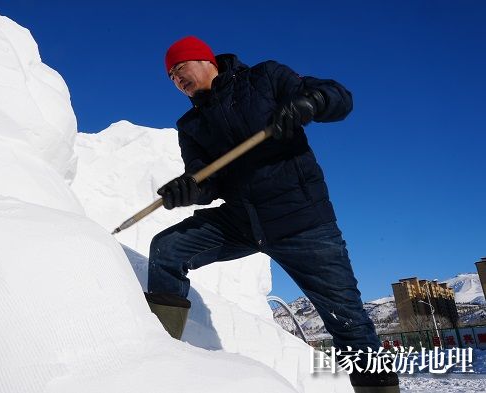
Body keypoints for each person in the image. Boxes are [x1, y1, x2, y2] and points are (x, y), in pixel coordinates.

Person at [144, 36, 399, 392]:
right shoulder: (191, 125)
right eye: (170, 77)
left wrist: (311, 102)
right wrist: (188, 188)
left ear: (205, 60)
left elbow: (338, 97)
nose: (176, 79)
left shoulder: (264, 78)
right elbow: (207, 180)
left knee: (349, 323)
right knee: (168, 250)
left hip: (302, 221)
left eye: (179, 68)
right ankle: (159, 356)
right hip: (242, 222)